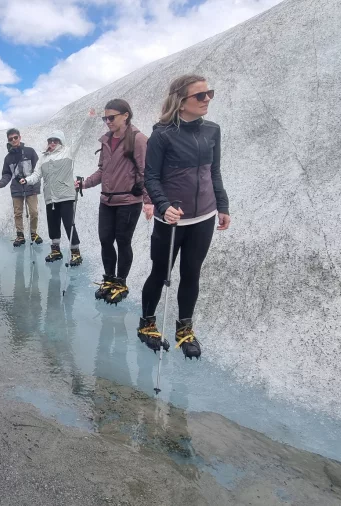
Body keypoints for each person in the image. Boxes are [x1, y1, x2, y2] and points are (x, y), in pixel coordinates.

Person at [136, 74, 231, 360]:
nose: (207, 100)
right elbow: (150, 177)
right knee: (160, 273)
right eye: (200, 96)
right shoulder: (162, 135)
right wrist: (163, 205)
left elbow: (214, 171)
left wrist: (222, 205)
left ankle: (184, 330)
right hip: (172, 220)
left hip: (204, 216)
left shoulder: (212, 130)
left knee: (192, 273)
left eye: (209, 94)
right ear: (181, 101)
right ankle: (147, 324)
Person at [78, 99, 153, 305]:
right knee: (105, 240)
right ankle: (109, 279)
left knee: (123, 241)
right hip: (107, 200)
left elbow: (145, 171)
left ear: (125, 115)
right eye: (105, 118)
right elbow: (102, 170)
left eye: (111, 117)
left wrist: (148, 201)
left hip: (129, 200)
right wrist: (84, 184)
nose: (107, 122)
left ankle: (121, 283)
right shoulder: (106, 140)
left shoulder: (138, 139)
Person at [23, 131, 82, 266]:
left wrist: (89, 118)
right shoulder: (43, 158)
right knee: (53, 224)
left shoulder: (68, 152)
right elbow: (37, 175)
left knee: (69, 224)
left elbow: (80, 136)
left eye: (55, 140)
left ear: (61, 141)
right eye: (50, 140)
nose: (52, 143)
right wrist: (26, 180)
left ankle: (75, 252)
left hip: (66, 196)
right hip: (50, 197)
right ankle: (55, 250)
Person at [0, 128, 42, 247]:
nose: (13, 140)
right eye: (11, 139)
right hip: (16, 188)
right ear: (8, 141)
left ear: (20, 138)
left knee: (34, 212)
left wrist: (36, 185)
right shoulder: (8, 158)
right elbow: (7, 174)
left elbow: (38, 170)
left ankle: (33, 233)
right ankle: (20, 235)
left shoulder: (30, 152)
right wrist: (0, 184)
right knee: (18, 213)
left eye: (15, 137)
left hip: (30, 186)